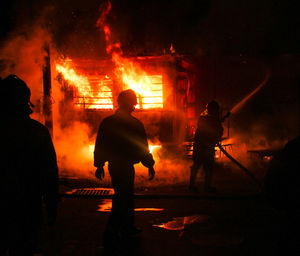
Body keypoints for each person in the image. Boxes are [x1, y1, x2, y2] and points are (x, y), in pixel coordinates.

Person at [0, 75, 59, 255]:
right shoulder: (37, 131)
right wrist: (51, 204)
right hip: (27, 204)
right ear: (26, 100)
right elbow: (49, 170)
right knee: (24, 247)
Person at [94, 89, 155, 244]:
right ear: (131, 105)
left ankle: (126, 227)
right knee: (123, 198)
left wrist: (99, 165)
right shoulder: (135, 124)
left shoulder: (107, 122)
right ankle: (112, 231)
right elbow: (142, 147)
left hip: (114, 166)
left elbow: (100, 145)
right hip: (126, 166)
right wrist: (150, 164)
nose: (134, 106)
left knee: (124, 197)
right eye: (133, 103)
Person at [189, 100, 223, 193]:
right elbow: (215, 131)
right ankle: (204, 187)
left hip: (201, 147)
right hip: (205, 147)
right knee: (206, 167)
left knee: (202, 167)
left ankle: (194, 186)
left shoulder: (204, 119)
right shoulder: (208, 119)